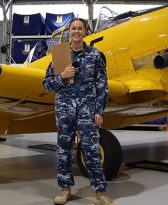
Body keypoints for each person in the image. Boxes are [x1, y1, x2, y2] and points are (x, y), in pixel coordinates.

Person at [43, 18, 117, 205]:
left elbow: (103, 86)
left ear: (85, 32)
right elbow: (47, 84)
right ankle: (65, 189)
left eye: (80, 28)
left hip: (87, 110)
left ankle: (100, 192)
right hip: (65, 109)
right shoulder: (59, 55)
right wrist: (62, 77)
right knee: (64, 150)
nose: (76, 31)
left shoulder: (95, 55)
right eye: (73, 28)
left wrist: (99, 111)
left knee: (91, 149)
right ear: (69, 31)